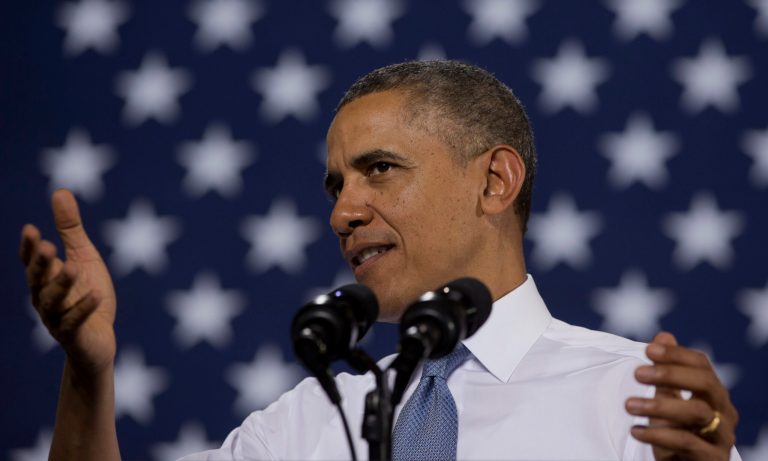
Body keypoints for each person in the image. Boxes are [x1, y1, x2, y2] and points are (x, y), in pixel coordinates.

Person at [20, 60, 740, 460]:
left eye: (380, 170)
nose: (342, 212)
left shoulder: (635, 404)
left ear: (494, 181)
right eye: (337, 186)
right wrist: (89, 373)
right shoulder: (302, 427)